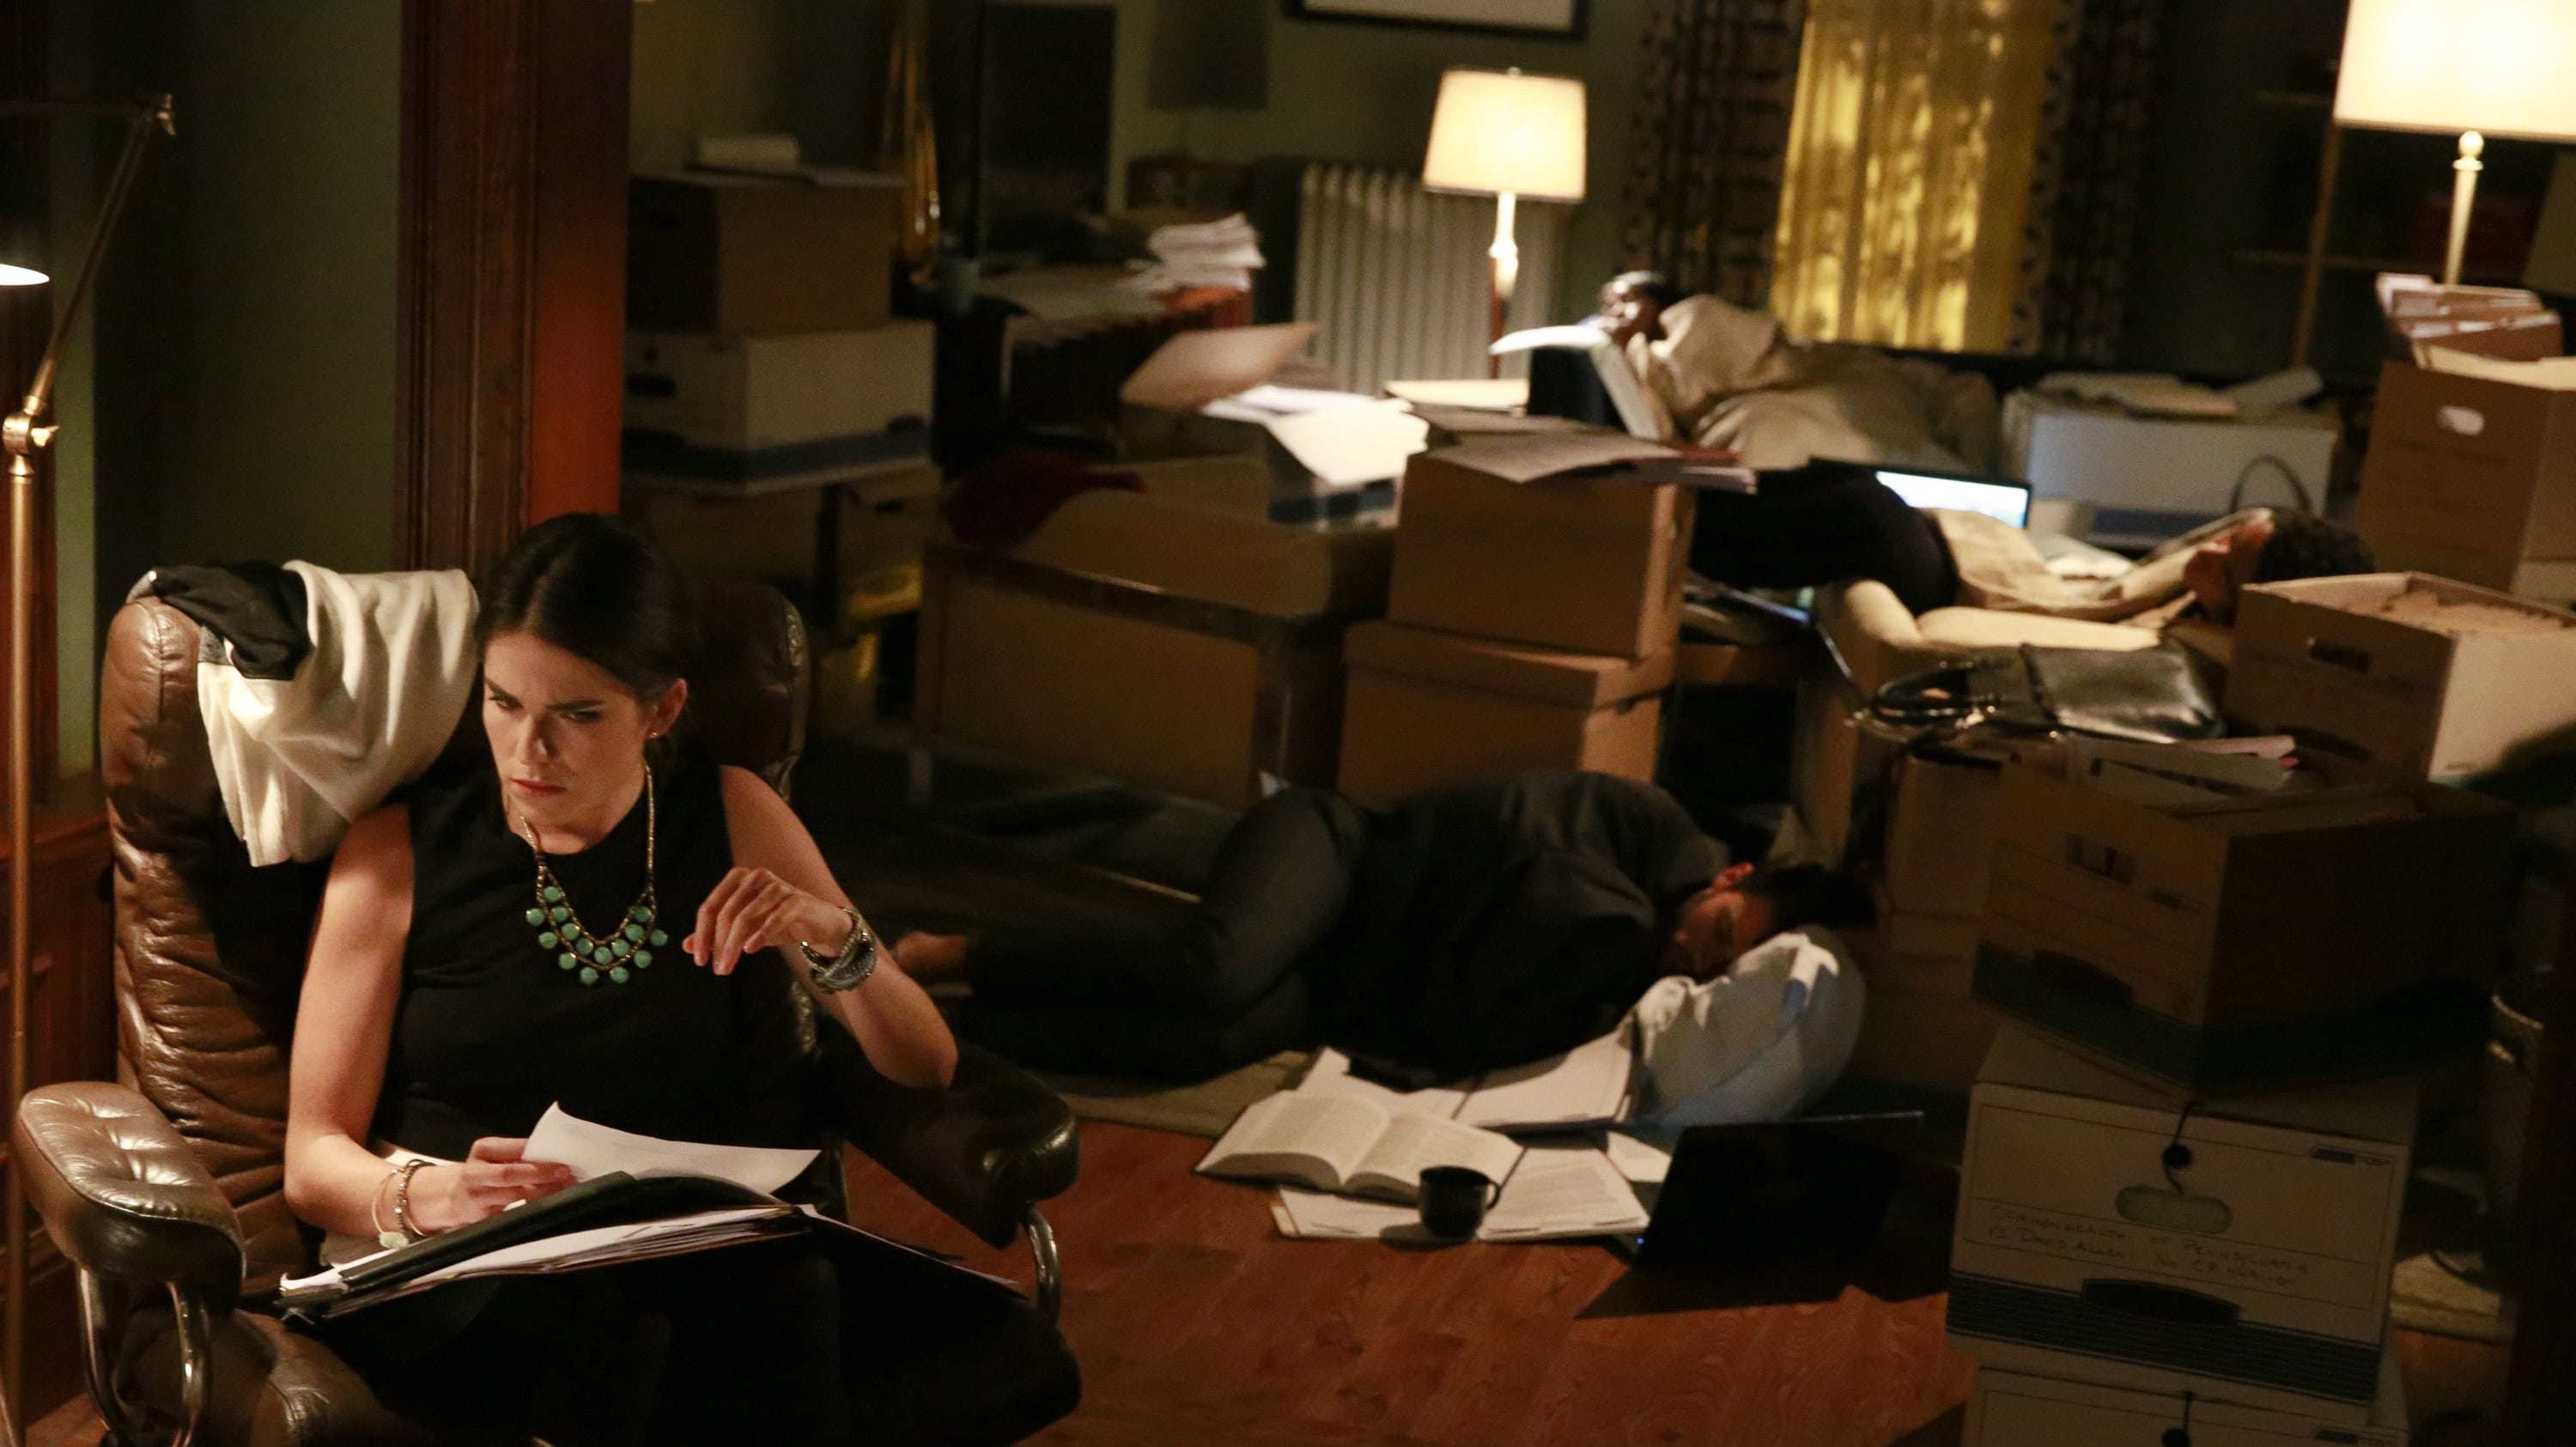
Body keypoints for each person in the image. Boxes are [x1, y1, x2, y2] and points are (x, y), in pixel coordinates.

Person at [283, 514, 1070, 1446]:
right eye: (504, 702)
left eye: (578, 714)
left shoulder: (731, 811)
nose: (529, 750)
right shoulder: (398, 854)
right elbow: (313, 1156)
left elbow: (923, 1062)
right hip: (473, 1260)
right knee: (683, 1336)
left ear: (660, 710)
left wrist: (833, 934)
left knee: (942, 1333)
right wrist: (434, 1194)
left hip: (702, 1249)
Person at [902, 771, 1870, 1083]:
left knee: (1202, 1043)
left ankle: (942, 1031)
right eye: (1723, 926)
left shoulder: (1646, 963)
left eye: (1723, 964)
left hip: (1346, 975)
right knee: (1215, 968)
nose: (1702, 954)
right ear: (1728, 878)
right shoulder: (1637, 838)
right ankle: (954, 950)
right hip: (1338, 854)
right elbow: (1522, 877)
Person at [1685, 459, 2379, 626]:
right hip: (1981, 567)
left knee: (1865, 511)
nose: (2210, 554)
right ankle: (1678, 489)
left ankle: (1679, 544)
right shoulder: (2200, 583)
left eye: (2229, 568)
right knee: (1849, 477)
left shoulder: (2190, 633)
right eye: (2228, 541)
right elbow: (2251, 519)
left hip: (1963, 593)